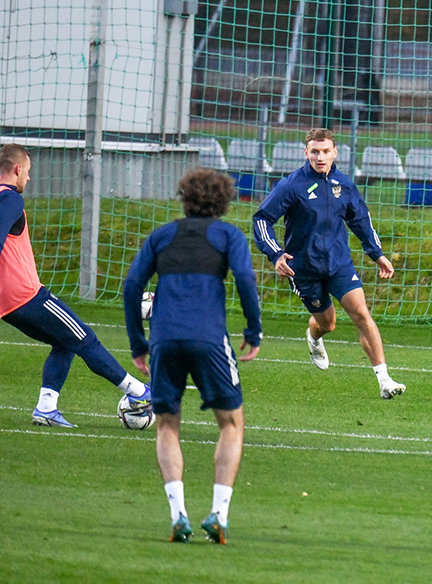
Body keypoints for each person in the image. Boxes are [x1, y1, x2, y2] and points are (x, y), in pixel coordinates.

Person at [123, 168, 262, 543]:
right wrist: (253, 331)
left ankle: (178, 515)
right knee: (231, 424)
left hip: (164, 340)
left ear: (184, 198)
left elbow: (132, 285)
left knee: (167, 425)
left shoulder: (162, 235)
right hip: (209, 339)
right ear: (225, 201)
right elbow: (245, 279)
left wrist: (138, 343)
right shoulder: (229, 236)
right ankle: (219, 514)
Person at [0, 143, 151, 428]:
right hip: (26, 295)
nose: (29, 178)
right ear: (17, 169)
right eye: (28, 171)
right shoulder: (10, 199)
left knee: (65, 340)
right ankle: (139, 392)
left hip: (7, 304)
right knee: (85, 338)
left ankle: (46, 408)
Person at [252, 128, 404, 399]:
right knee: (327, 323)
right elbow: (262, 219)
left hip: (338, 263)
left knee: (361, 314)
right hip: (304, 268)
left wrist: (377, 253)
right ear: (306, 153)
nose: (320, 157)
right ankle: (314, 337)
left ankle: (384, 380)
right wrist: (276, 254)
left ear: (335, 152)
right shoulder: (291, 185)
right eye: (315, 152)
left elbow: (360, 219)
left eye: (325, 151)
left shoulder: (343, 185)